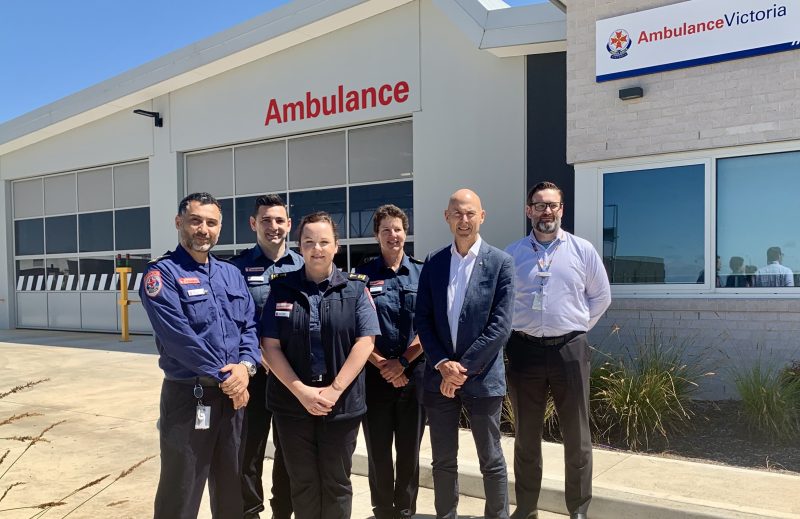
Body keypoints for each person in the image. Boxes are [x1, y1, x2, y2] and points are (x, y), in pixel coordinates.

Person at [141, 192, 260, 519]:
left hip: (230, 402)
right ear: (179, 223)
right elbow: (180, 339)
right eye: (195, 220)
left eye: (211, 222)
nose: (203, 229)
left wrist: (246, 367)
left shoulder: (231, 274)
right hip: (190, 398)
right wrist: (230, 379)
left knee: (230, 488)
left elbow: (250, 325)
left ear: (219, 228)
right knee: (181, 490)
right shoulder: (161, 275)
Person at [261, 211, 381, 519]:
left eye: (324, 242)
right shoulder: (281, 288)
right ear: (299, 246)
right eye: (309, 241)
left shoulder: (355, 290)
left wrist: (334, 390)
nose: (317, 248)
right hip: (292, 405)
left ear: (337, 246)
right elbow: (269, 346)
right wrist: (301, 391)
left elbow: (365, 341)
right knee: (302, 483)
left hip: (340, 407)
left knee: (337, 482)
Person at [505, 181, 611, 519]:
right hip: (524, 351)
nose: (546, 211)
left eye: (552, 205)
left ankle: (578, 510)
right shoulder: (513, 254)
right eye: (539, 205)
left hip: (570, 351)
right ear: (528, 210)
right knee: (525, 436)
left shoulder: (582, 250)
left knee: (577, 436)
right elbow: (503, 304)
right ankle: (526, 507)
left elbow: (601, 297)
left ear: (561, 210)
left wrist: (577, 329)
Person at [414, 188, 515, 519]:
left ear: (482, 216)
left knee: (491, 459)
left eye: (470, 213)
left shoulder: (501, 263)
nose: (464, 219)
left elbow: (500, 328)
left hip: (483, 380)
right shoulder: (434, 262)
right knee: (443, 459)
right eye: (457, 213)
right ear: (447, 217)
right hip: (439, 379)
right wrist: (443, 365)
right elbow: (423, 320)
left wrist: (461, 371)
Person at [230, 194, 302, 519]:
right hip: (254, 374)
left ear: (288, 224)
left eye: (279, 220)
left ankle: (282, 512)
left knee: (289, 451)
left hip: (291, 377)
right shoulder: (236, 268)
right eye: (266, 220)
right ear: (253, 224)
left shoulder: (304, 265)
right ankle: (249, 512)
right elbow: (229, 322)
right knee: (248, 450)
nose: (273, 227)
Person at [355, 205, 425, 519]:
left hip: (414, 376)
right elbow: (354, 327)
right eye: (385, 230)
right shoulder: (362, 276)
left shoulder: (422, 273)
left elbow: (431, 325)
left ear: (405, 232)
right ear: (376, 235)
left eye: (397, 229)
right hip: (375, 376)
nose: (392, 235)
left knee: (409, 450)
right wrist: (384, 364)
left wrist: (403, 363)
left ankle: (406, 509)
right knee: (379, 449)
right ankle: (383, 509)